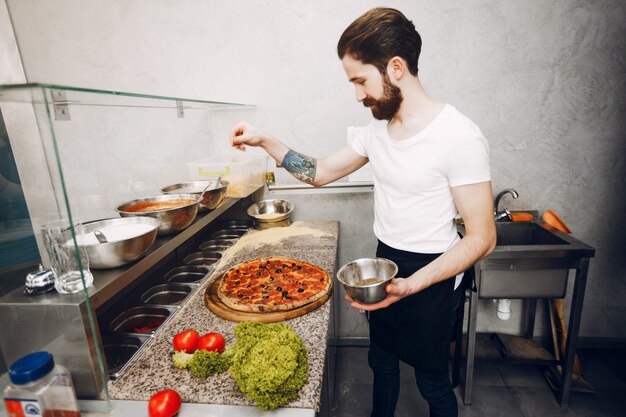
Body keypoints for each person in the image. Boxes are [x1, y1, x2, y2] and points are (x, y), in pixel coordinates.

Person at [230, 7, 496, 417]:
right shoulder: (376, 133)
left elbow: (482, 237)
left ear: (395, 67)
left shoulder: (459, 137)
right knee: (382, 365)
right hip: (385, 263)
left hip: (436, 272)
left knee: (431, 382)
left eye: (360, 81)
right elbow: (317, 173)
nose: (358, 96)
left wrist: (412, 285)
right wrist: (267, 140)